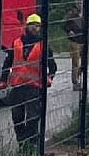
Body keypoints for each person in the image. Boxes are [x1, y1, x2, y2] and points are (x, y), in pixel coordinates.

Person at [8, 13, 57, 147]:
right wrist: (2, 80)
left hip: (34, 87)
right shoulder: (17, 43)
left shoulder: (43, 45)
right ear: (27, 26)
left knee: (32, 118)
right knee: (17, 117)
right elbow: (8, 62)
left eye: (37, 26)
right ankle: (22, 143)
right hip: (17, 87)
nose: (35, 28)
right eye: (32, 25)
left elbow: (52, 66)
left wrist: (49, 79)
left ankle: (32, 144)